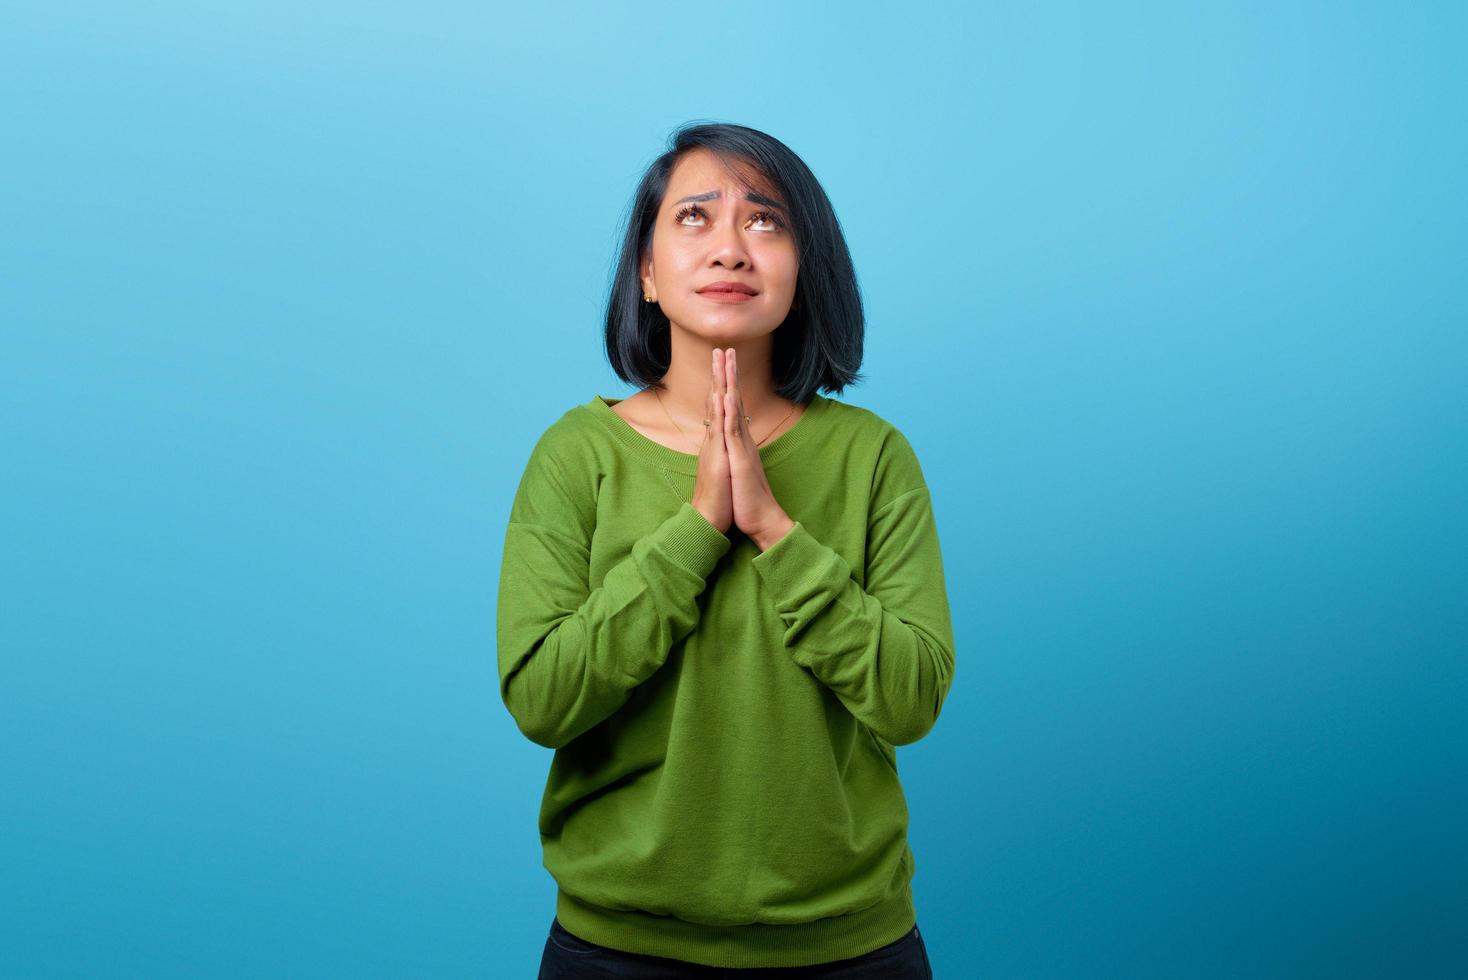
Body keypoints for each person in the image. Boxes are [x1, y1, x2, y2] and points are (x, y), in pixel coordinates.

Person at [497, 122, 954, 977]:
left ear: (803, 266)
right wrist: (698, 528)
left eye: (766, 221)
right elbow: (542, 701)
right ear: (646, 273)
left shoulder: (874, 456)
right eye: (696, 217)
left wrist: (776, 529)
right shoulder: (576, 455)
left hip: (851, 946)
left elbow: (911, 700)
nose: (731, 248)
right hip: (618, 950)